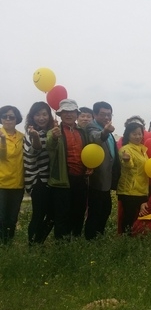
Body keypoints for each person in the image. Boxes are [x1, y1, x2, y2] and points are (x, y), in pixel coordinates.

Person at [46, 99, 89, 240]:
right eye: (65, 112)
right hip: (62, 180)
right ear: (60, 114)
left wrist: (90, 166)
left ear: (77, 114)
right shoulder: (54, 131)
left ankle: (75, 240)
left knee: (79, 211)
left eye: (72, 111)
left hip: (80, 179)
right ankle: (61, 245)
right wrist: (54, 137)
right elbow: (49, 147)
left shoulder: (82, 132)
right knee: (62, 214)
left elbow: (89, 152)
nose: (69, 114)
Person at [85, 101, 121, 240]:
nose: (106, 117)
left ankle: (99, 236)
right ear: (95, 114)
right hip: (96, 178)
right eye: (102, 114)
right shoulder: (92, 127)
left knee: (105, 209)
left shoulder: (109, 130)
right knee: (96, 210)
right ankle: (91, 238)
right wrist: (105, 130)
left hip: (106, 177)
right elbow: (96, 138)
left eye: (109, 114)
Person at [23, 102, 53, 244]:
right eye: (37, 114)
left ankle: (38, 242)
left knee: (52, 213)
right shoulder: (30, 133)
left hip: (49, 180)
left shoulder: (50, 132)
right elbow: (33, 152)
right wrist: (35, 136)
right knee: (39, 214)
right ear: (32, 117)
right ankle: (33, 244)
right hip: (37, 180)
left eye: (44, 114)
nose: (41, 118)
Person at [117, 122, 149, 235]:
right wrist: (126, 160)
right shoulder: (126, 149)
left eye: (139, 134)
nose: (138, 136)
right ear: (128, 135)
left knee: (140, 217)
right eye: (134, 134)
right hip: (129, 190)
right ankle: (125, 240)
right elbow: (128, 166)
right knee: (128, 218)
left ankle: (135, 239)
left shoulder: (143, 150)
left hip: (142, 189)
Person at [0, 105, 25, 243]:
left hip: (18, 184)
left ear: (17, 119)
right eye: (4, 116)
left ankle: (8, 244)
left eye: (12, 117)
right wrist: (3, 140)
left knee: (12, 218)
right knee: (1, 218)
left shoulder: (22, 137)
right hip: (2, 183)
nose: (8, 119)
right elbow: (2, 156)